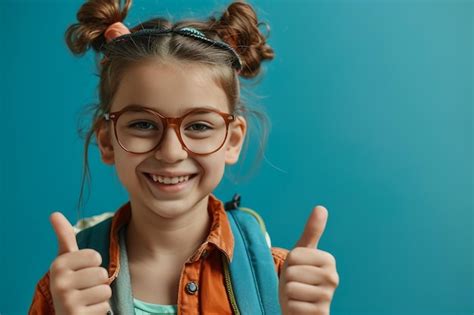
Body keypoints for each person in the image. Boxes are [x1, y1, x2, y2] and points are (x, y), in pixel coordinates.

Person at [28, 0, 339, 314]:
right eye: (143, 124)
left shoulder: (282, 284)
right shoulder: (66, 291)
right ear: (107, 141)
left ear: (232, 141)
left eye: (199, 126)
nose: (171, 152)